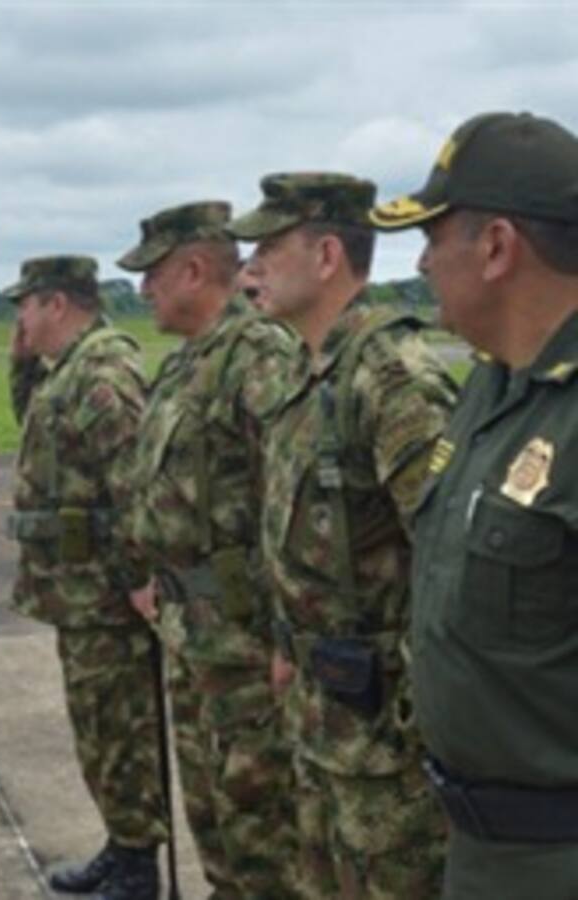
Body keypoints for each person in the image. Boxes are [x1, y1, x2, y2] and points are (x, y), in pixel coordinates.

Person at [227, 173, 456, 898]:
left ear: (328, 255)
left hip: (384, 732)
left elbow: (451, 558)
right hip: (322, 713)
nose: (250, 266)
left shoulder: (390, 379)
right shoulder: (309, 372)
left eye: (268, 247)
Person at [371, 111, 578, 899]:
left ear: (495, 246)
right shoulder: (493, 388)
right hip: (480, 850)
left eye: (432, 237)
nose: (421, 263)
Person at [118, 201, 302, 898]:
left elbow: (291, 507)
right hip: (194, 633)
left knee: (261, 833)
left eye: (153, 275)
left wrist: (285, 634)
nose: (144, 291)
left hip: (247, 642)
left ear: (194, 270)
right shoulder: (185, 366)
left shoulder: (259, 358)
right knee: (215, 825)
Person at [4, 255, 167, 899]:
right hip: (77, 593)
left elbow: (131, 486)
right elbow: (37, 427)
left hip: (104, 594)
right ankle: (121, 843)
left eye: (26, 305)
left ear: (57, 304)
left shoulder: (104, 374)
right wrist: (19, 361)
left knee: (119, 730)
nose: (20, 317)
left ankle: (137, 867)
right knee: (98, 731)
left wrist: (136, 577)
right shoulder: (66, 372)